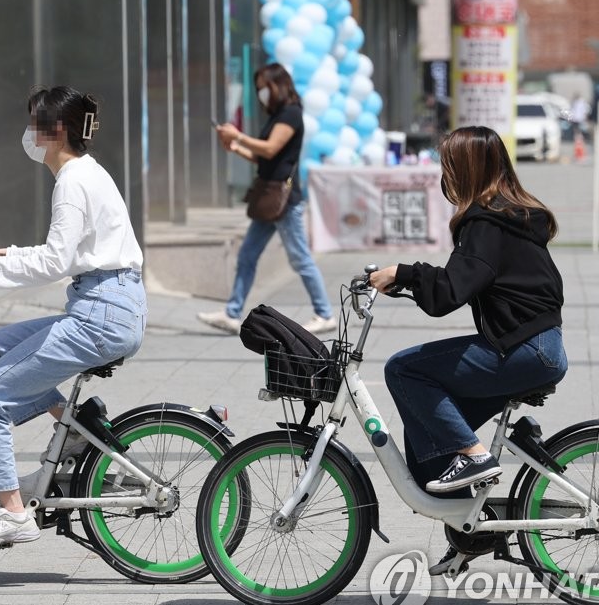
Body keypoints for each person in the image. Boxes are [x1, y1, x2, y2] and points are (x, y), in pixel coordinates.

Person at [0, 85, 146, 547]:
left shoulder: (73, 183)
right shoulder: (87, 173)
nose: (27, 134)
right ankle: (77, 432)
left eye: (33, 125)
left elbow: (53, 264)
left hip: (100, 315)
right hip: (108, 304)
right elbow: (72, 251)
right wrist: (5, 252)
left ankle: (12, 513)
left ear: (55, 132)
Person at [369, 125, 567, 502]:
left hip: (524, 348)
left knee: (403, 369)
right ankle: (468, 535)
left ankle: (475, 456)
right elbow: (461, 283)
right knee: (427, 445)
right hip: (539, 345)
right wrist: (411, 280)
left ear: (466, 169)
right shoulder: (508, 217)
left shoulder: (485, 223)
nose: (445, 176)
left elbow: (450, 292)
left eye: (449, 165)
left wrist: (405, 272)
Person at [197, 63, 336, 336]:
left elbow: (271, 149)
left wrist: (238, 135)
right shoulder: (277, 115)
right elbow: (263, 159)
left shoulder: (291, 114)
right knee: (248, 254)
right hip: (270, 198)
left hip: (284, 201)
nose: (261, 92)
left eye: (264, 86)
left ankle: (324, 313)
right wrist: (235, 147)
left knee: (300, 258)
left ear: (278, 85)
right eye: (258, 86)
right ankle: (232, 312)